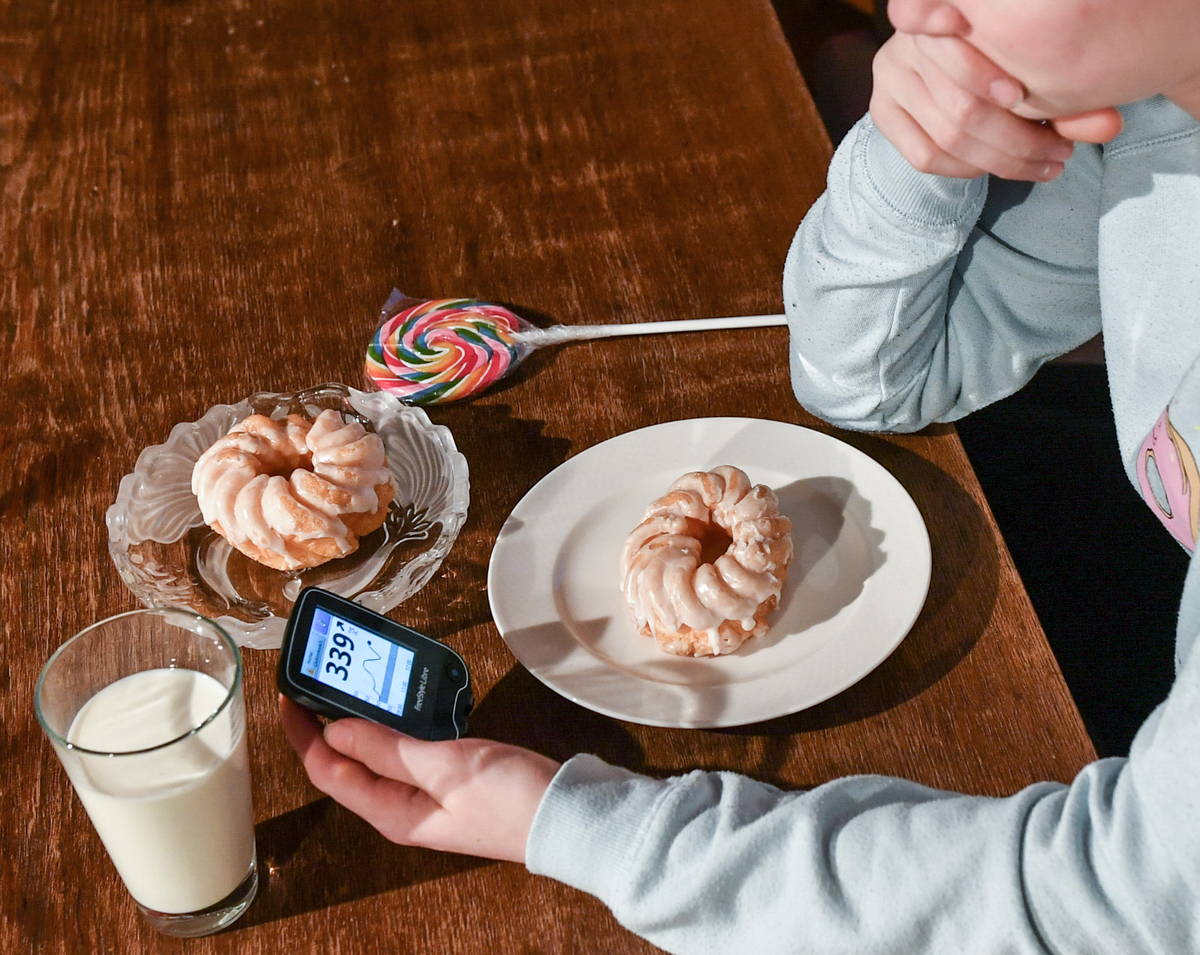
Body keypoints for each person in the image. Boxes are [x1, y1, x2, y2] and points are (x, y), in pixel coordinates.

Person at [281, 0, 1200, 950]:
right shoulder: (1147, 107)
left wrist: (587, 830)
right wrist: (912, 155)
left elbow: (1126, 904)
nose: (912, 8)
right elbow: (871, 374)